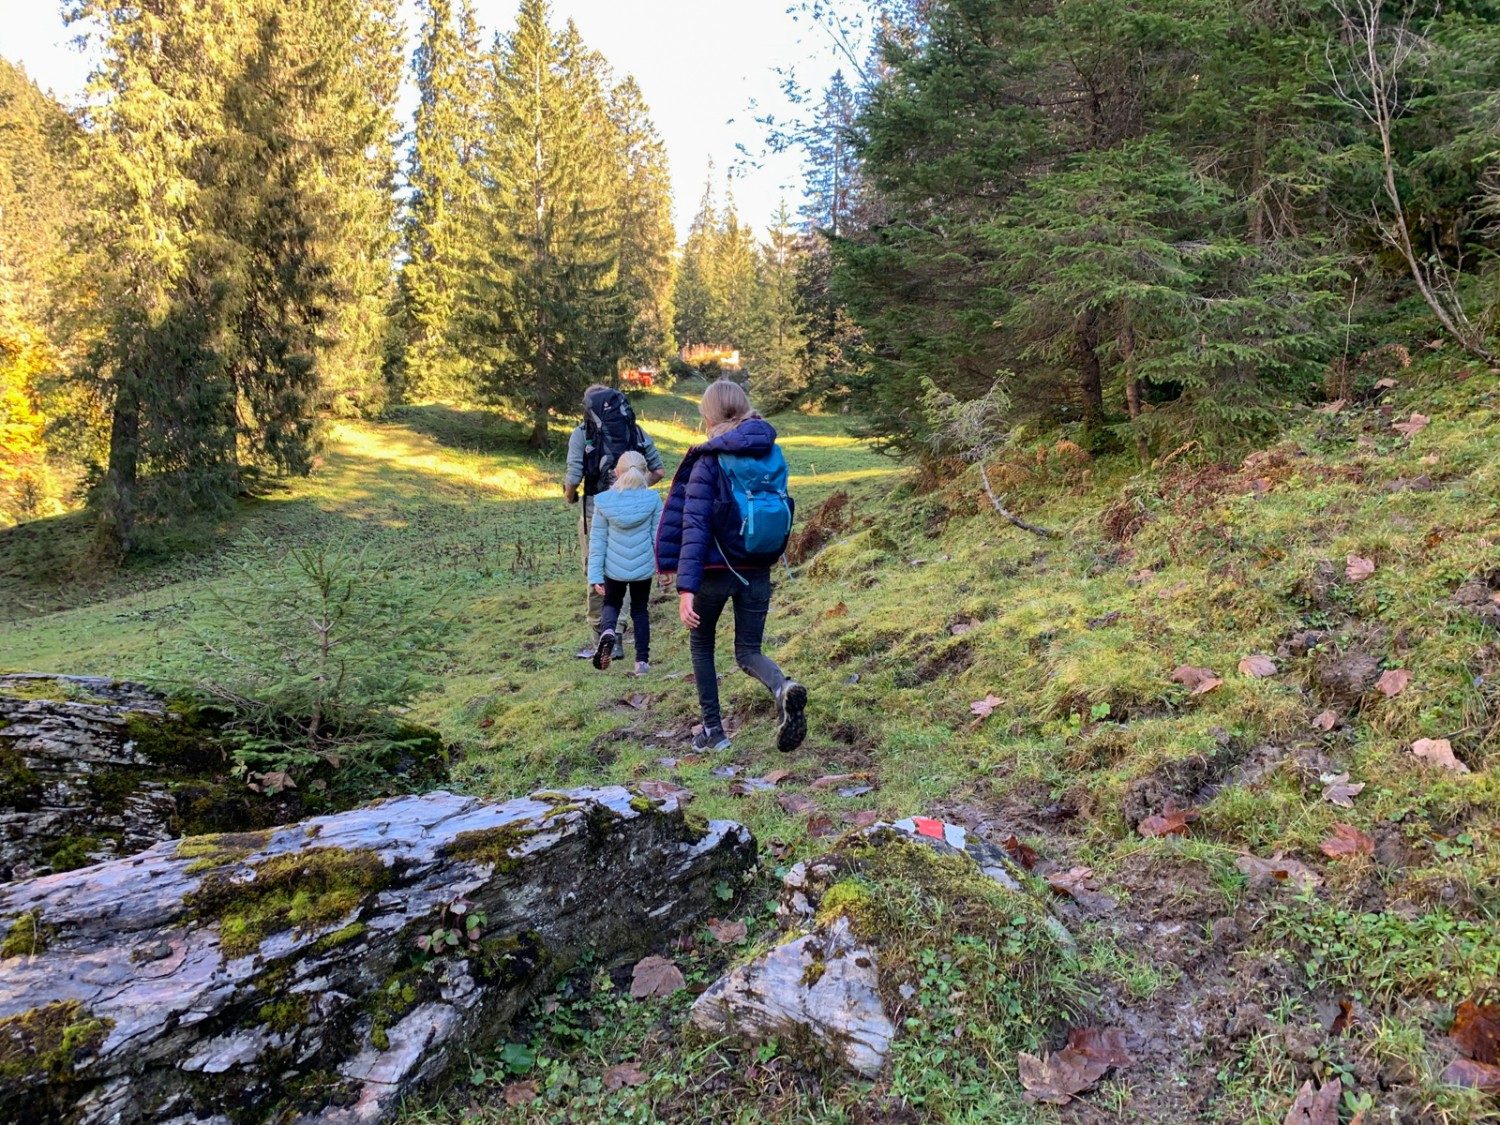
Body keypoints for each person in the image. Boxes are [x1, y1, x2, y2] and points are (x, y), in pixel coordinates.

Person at [655, 379, 806, 753]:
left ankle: (714, 733)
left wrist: (686, 589)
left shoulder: (708, 459)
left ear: (709, 414)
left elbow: (695, 526)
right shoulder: (770, 451)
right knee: (748, 650)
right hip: (757, 565)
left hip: (714, 571)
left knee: (702, 644)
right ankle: (781, 687)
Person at [564, 384, 665, 660]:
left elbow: (573, 477)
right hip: (636, 508)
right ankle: (618, 635)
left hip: (596, 507)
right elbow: (659, 469)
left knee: (596, 569)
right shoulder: (635, 430)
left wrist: (570, 497)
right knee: (627, 569)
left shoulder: (582, 434)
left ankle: (601, 636)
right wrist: (635, 488)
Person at [587, 451, 662, 675]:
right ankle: (641, 662)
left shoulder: (603, 502)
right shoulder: (653, 499)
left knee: (611, 603)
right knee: (640, 610)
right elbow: (657, 537)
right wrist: (663, 566)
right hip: (643, 566)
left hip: (613, 567)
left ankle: (608, 631)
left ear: (616, 472)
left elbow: (598, 540)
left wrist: (595, 576)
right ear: (644, 473)